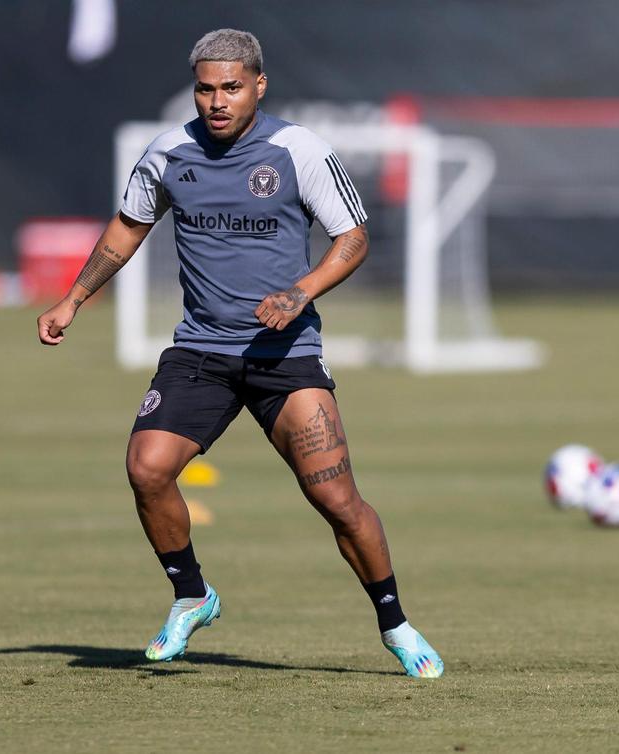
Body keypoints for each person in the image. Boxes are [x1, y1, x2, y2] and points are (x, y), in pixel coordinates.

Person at [37, 29, 443, 678]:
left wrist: (299, 291)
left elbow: (353, 239)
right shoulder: (168, 153)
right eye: (206, 88)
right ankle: (192, 596)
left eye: (231, 87)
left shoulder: (297, 149)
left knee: (338, 503)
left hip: (285, 356)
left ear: (258, 85)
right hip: (200, 351)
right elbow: (126, 228)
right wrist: (73, 299)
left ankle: (395, 623)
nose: (217, 101)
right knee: (146, 468)